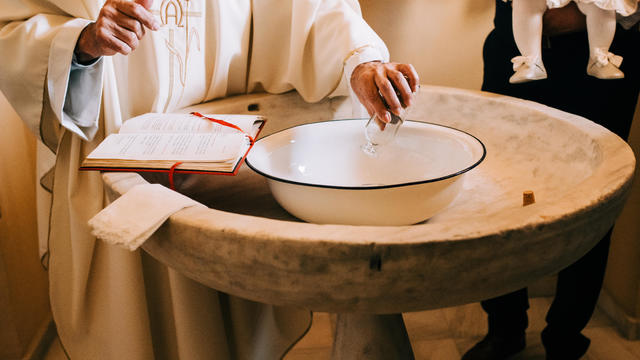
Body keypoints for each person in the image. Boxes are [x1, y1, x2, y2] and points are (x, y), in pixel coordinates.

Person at [0, 0, 419, 358]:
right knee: (137, 320)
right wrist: (85, 43)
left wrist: (361, 61)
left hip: (225, 155)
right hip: (119, 148)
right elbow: (16, 26)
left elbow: (309, 10)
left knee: (226, 322)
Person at [462, 1, 639, 359]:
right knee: (499, 187)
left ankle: (566, 334)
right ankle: (504, 326)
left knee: (596, 195)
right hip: (512, 49)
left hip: (605, 61)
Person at [508, 0, 637, 83]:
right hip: (505, 40)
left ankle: (599, 59)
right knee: (526, 2)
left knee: (602, 3)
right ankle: (531, 62)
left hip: (581, 45)